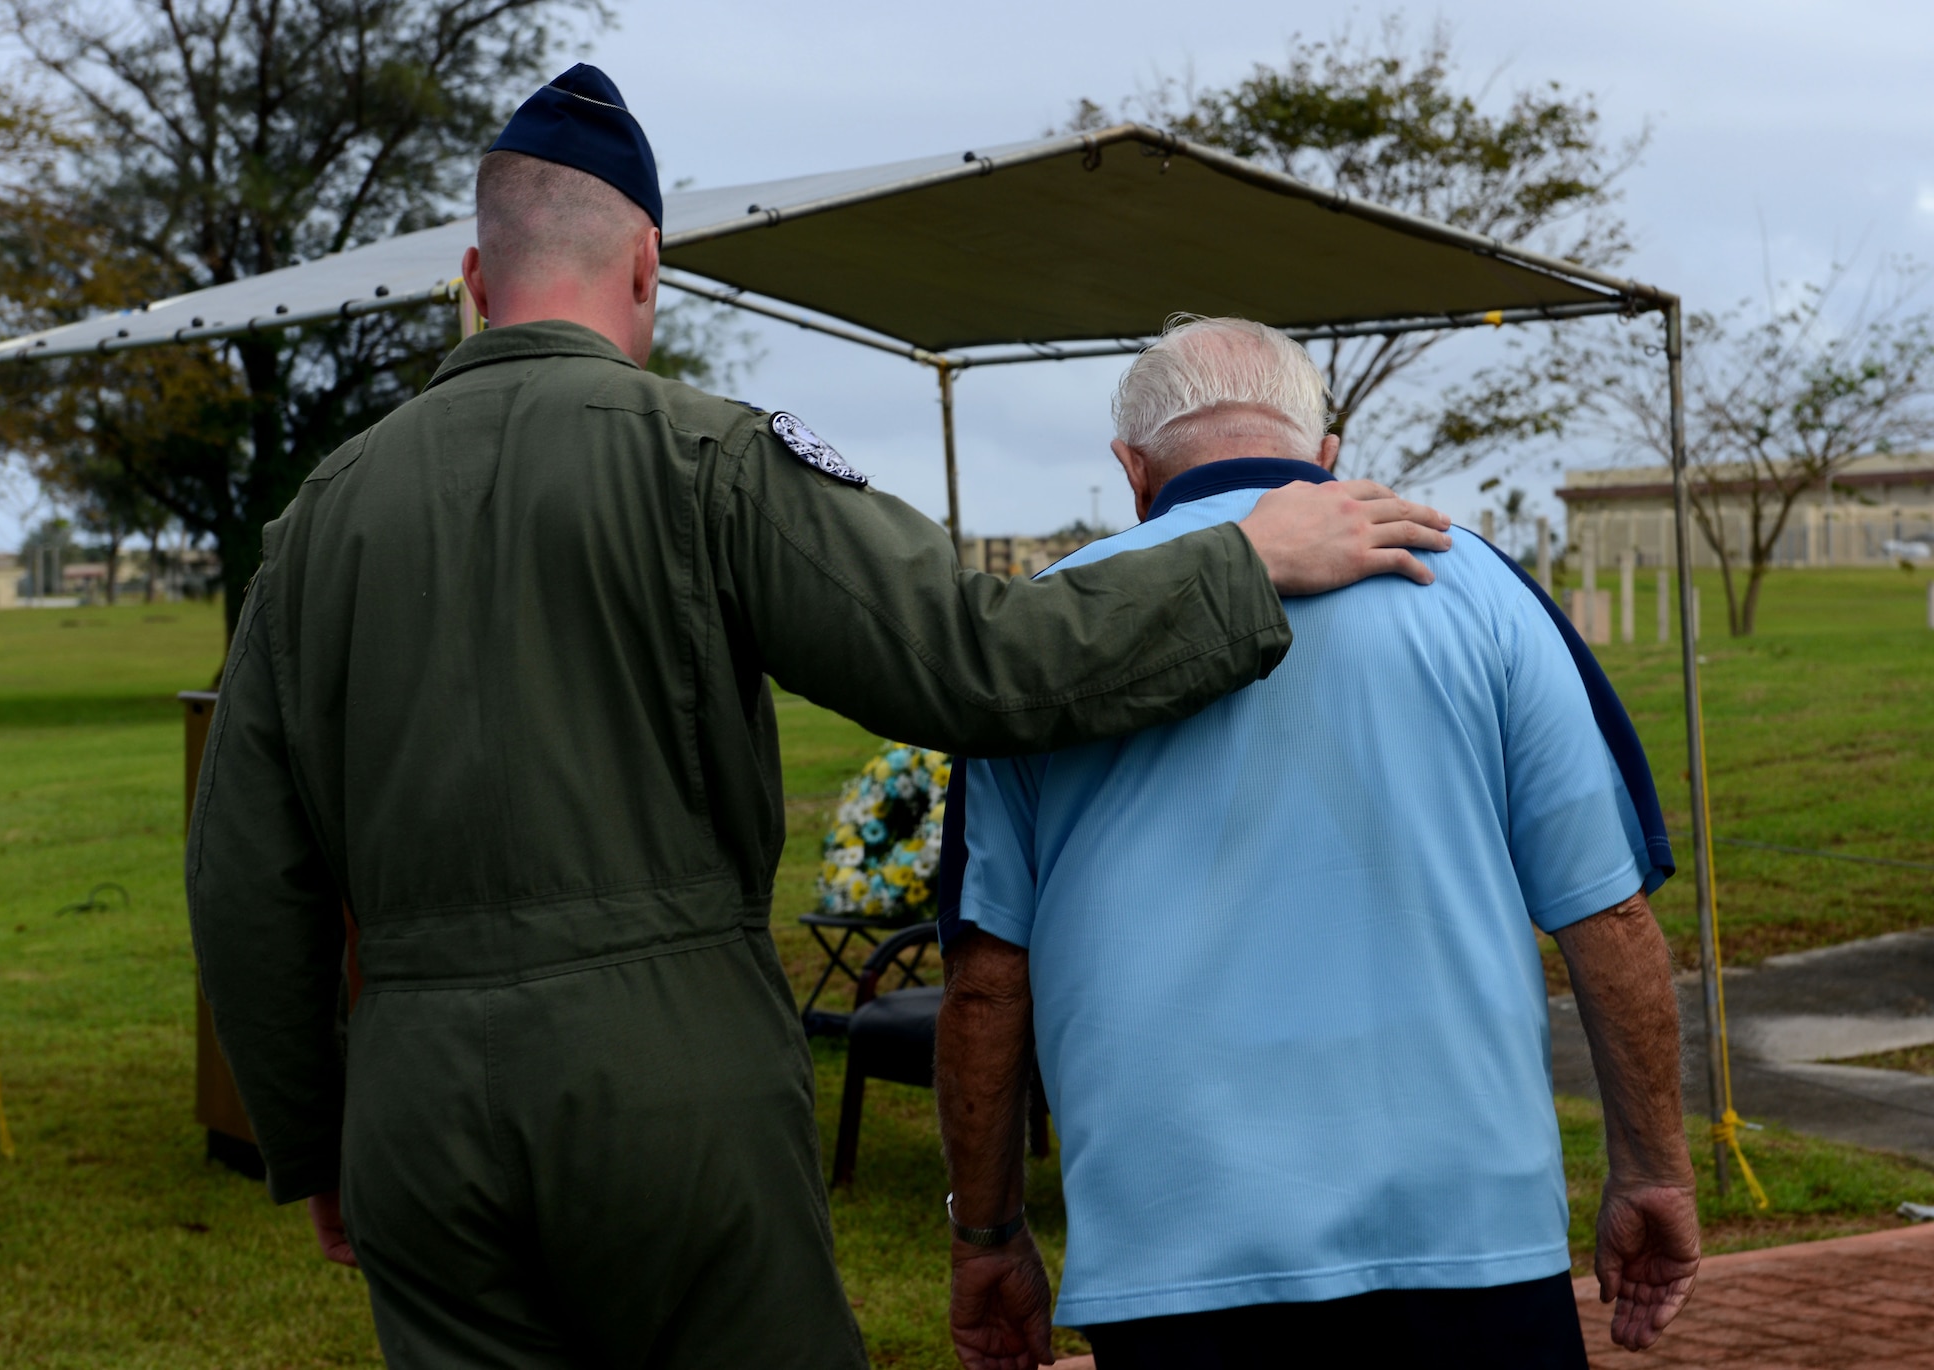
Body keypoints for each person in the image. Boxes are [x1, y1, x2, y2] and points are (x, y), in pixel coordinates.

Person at [185, 68, 1456, 1368]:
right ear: (646, 265)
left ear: (474, 266)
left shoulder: (316, 522)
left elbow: (243, 870)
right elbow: (978, 663)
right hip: (668, 1082)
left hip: (417, 1110)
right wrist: (1239, 563)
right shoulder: (709, 460)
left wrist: (316, 1131)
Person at [937, 317, 1699, 1370]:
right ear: (1323, 453)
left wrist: (984, 1231)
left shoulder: (1041, 628)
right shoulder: (1479, 585)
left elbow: (985, 977)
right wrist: (1652, 1168)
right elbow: (1606, 913)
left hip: (1174, 1252)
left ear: (1130, 468)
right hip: (1471, 1239)